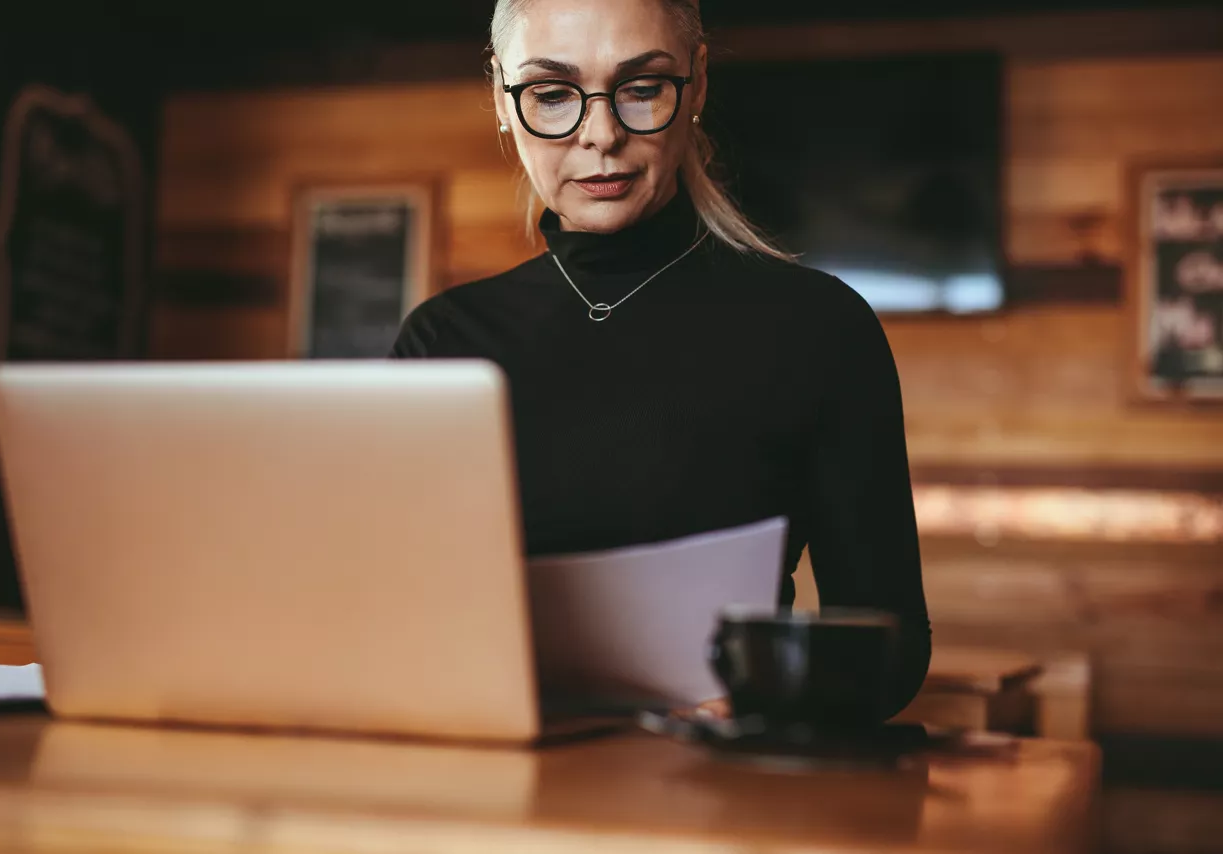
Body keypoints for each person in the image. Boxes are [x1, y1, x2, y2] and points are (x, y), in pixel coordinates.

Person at [390, 0, 930, 721]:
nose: (602, 135)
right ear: (501, 99)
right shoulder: (442, 341)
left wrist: (759, 703)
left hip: (721, 805)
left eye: (641, 88)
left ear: (697, 85)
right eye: (552, 94)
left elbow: (887, 645)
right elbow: (394, 617)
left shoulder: (820, 328)